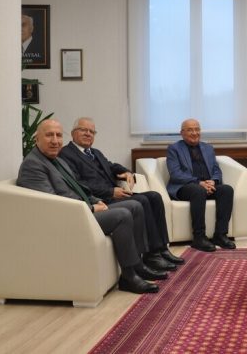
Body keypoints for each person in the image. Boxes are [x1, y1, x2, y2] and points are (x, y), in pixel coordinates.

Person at [17, 119, 162, 294]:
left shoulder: (56, 160)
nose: (55, 141)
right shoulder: (33, 165)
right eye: (49, 135)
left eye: (58, 135)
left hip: (81, 209)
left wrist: (95, 200)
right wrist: (91, 208)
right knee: (122, 215)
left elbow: (79, 188)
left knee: (135, 206)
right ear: (36, 139)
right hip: (68, 217)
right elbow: (52, 203)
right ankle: (128, 276)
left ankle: (138, 265)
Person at [60, 117, 184, 272]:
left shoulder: (95, 152)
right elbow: (79, 184)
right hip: (101, 200)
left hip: (115, 195)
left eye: (92, 131)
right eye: (83, 130)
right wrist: (110, 191)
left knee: (154, 196)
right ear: (73, 133)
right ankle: (151, 255)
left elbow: (111, 166)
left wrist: (126, 172)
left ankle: (162, 248)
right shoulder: (65, 154)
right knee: (142, 200)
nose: (88, 134)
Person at [166, 118, 236, 252]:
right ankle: (199, 237)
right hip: (185, 187)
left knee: (227, 190)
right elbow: (175, 174)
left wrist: (213, 181)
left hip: (207, 185)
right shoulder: (174, 149)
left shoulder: (208, 148)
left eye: (197, 129)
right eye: (190, 130)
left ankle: (220, 235)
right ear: (182, 133)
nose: (194, 133)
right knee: (198, 190)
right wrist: (199, 182)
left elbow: (216, 169)